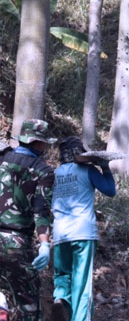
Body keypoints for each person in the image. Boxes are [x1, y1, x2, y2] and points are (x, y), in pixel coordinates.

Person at [51, 136, 116, 321]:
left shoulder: (53, 174)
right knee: (82, 282)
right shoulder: (88, 170)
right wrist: (105, 167)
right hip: (83, 231)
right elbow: (110, 191)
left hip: (60, 232)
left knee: (62, 273)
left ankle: (60, 298)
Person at [0, 119, 56, 321]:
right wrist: (44, 244)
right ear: (39, 143)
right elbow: (41, 211)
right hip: (17, 244)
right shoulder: (43, 171)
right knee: (28, 304)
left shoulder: (2, 158)